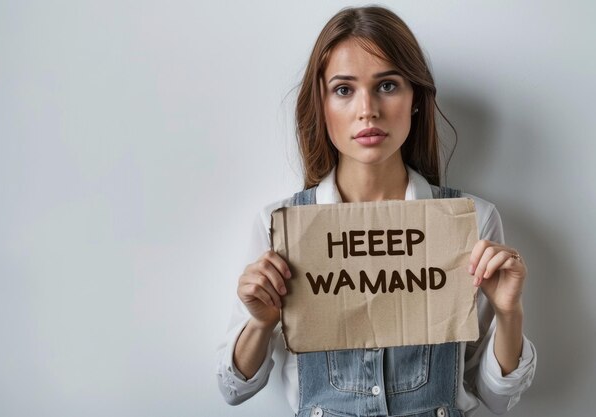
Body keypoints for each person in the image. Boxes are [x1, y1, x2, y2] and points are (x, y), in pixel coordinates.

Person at [216, 6, 536, 417]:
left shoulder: (470, 219)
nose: (367, 109)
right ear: (322, 103)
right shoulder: (280, 225)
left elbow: (497, 398)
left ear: (415, 98)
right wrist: (260, 323)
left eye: (387, 85)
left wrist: (510, 313)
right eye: (344, 90)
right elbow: (233, 391)